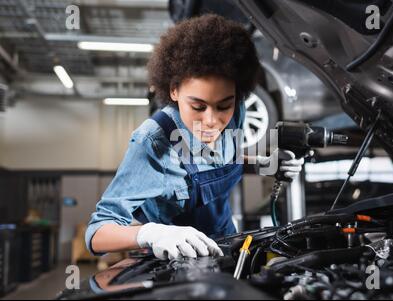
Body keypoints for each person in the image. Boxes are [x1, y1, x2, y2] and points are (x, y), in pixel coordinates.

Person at [85, 14, 303, 260]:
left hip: (226, 246)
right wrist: (151, 233)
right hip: (176, 261)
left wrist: (263, 165)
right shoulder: (153, 141)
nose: (212, 121)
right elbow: (97, 233)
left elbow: (222, 161)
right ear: (174, 90)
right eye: (198, 107)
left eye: (223, 106)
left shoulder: (236, 112)